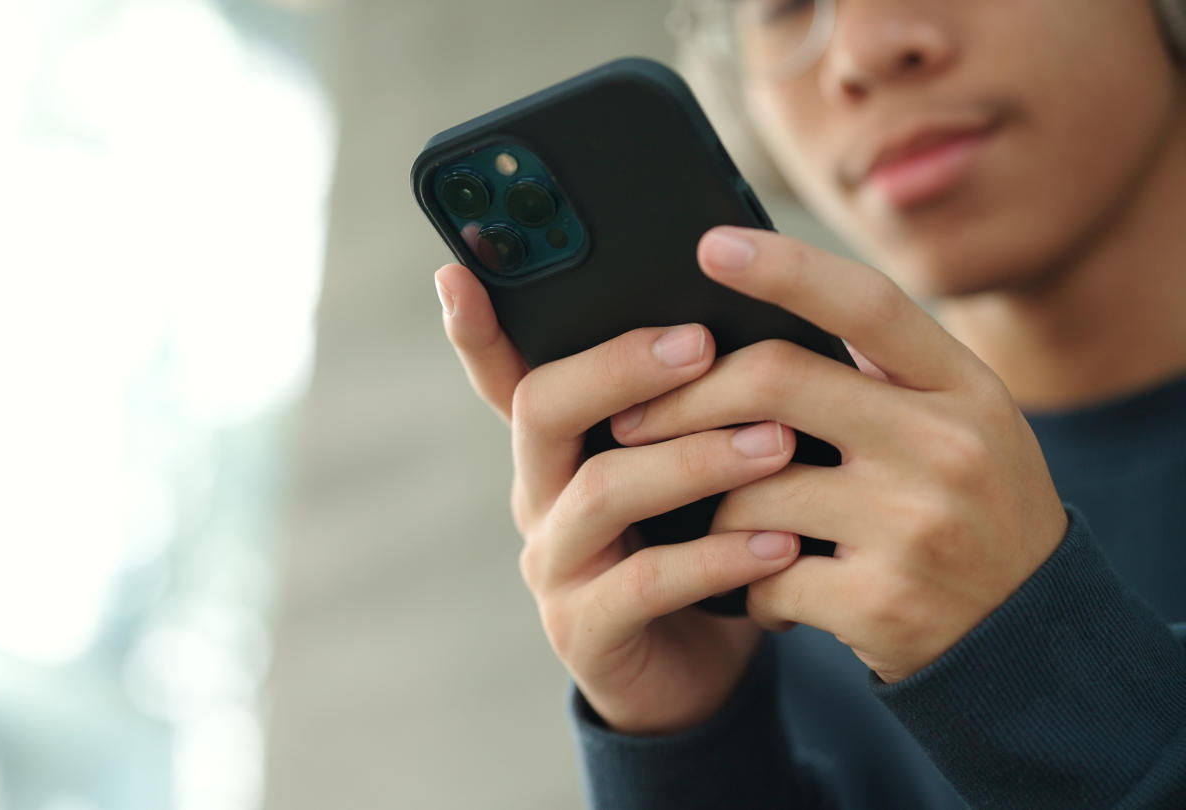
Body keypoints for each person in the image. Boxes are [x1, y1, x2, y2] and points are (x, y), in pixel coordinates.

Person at [430, 0, 1186, 807]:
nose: (860, 54)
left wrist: (1042, 666)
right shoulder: (793, 569)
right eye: (783, 5)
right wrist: (691, 755)